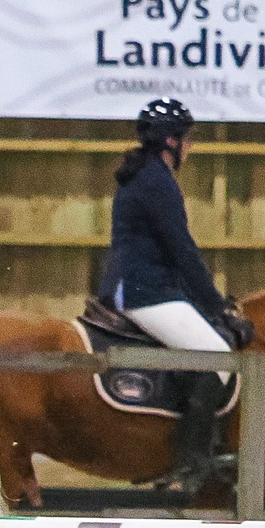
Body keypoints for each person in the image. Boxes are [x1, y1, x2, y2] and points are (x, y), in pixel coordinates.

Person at [97, 98, 244, 492]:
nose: (190, 148)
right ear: (170, 141)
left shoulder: (145, 176)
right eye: (187, 139)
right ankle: (189, 459)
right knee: (219, 358)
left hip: (152, 287)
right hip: (148, 293)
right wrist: (219, 307)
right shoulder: (155, 183)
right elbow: (182, 251)